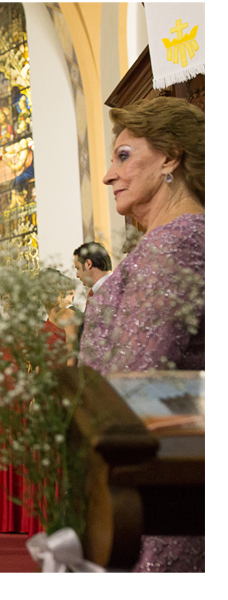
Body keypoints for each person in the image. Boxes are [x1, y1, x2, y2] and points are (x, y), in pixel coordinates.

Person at [79, 96, 204, 571]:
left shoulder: (174, 243)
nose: (109, 174)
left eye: (124, 155)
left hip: (154, 491)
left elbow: (133, 381)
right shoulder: (186, 238)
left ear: (170, 156)